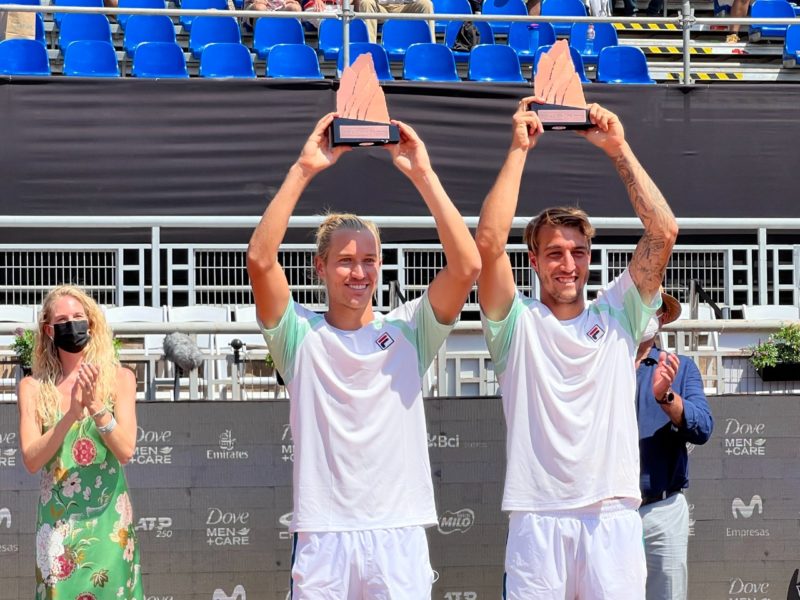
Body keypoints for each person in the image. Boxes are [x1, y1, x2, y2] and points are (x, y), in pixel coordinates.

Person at [247, 113, 481, 598]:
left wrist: (423, 174)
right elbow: (260, 259)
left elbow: (467, 265)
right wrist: (305, 168)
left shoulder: (409, 330)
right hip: (324, 533)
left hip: (398, 531)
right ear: (321, 267)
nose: (359, 272)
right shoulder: (298, 336)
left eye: (369, 260)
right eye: (346, 261)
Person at [475, 97, 678, 599]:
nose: (568, 264)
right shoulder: (515, 322)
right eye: (555, 253)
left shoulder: (618, 313)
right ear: (535, 260)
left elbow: (663, 231)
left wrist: (618, 149)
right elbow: (487, 243)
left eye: (579, 252)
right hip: (537, 516)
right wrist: (520, 148)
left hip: (611, 514)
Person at [17, 285, 143, 600]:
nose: (71, 324)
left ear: (91, 322)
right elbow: (32, 460)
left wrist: (98, 409)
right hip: (57, 528)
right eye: (62, 319)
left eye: (77, 316)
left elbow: (126, 450)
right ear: (48, 330)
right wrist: (71, 415)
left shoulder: (120, 379)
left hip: (109, 527)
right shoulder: (32, 387)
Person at [635, 294, 713, 600]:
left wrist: (666, 397)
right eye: (635, 305)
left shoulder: (681, 369)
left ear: (663, 317)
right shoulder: (600, 367)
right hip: (606, 513)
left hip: (662, 510)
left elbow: (703, 427)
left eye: (650, 308)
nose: (643, 314)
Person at [353, 0, 434, 43]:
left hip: (405, 7)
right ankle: (371, 48)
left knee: (426, 4)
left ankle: (431, 48)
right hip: (382, 8)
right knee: (366, 2)